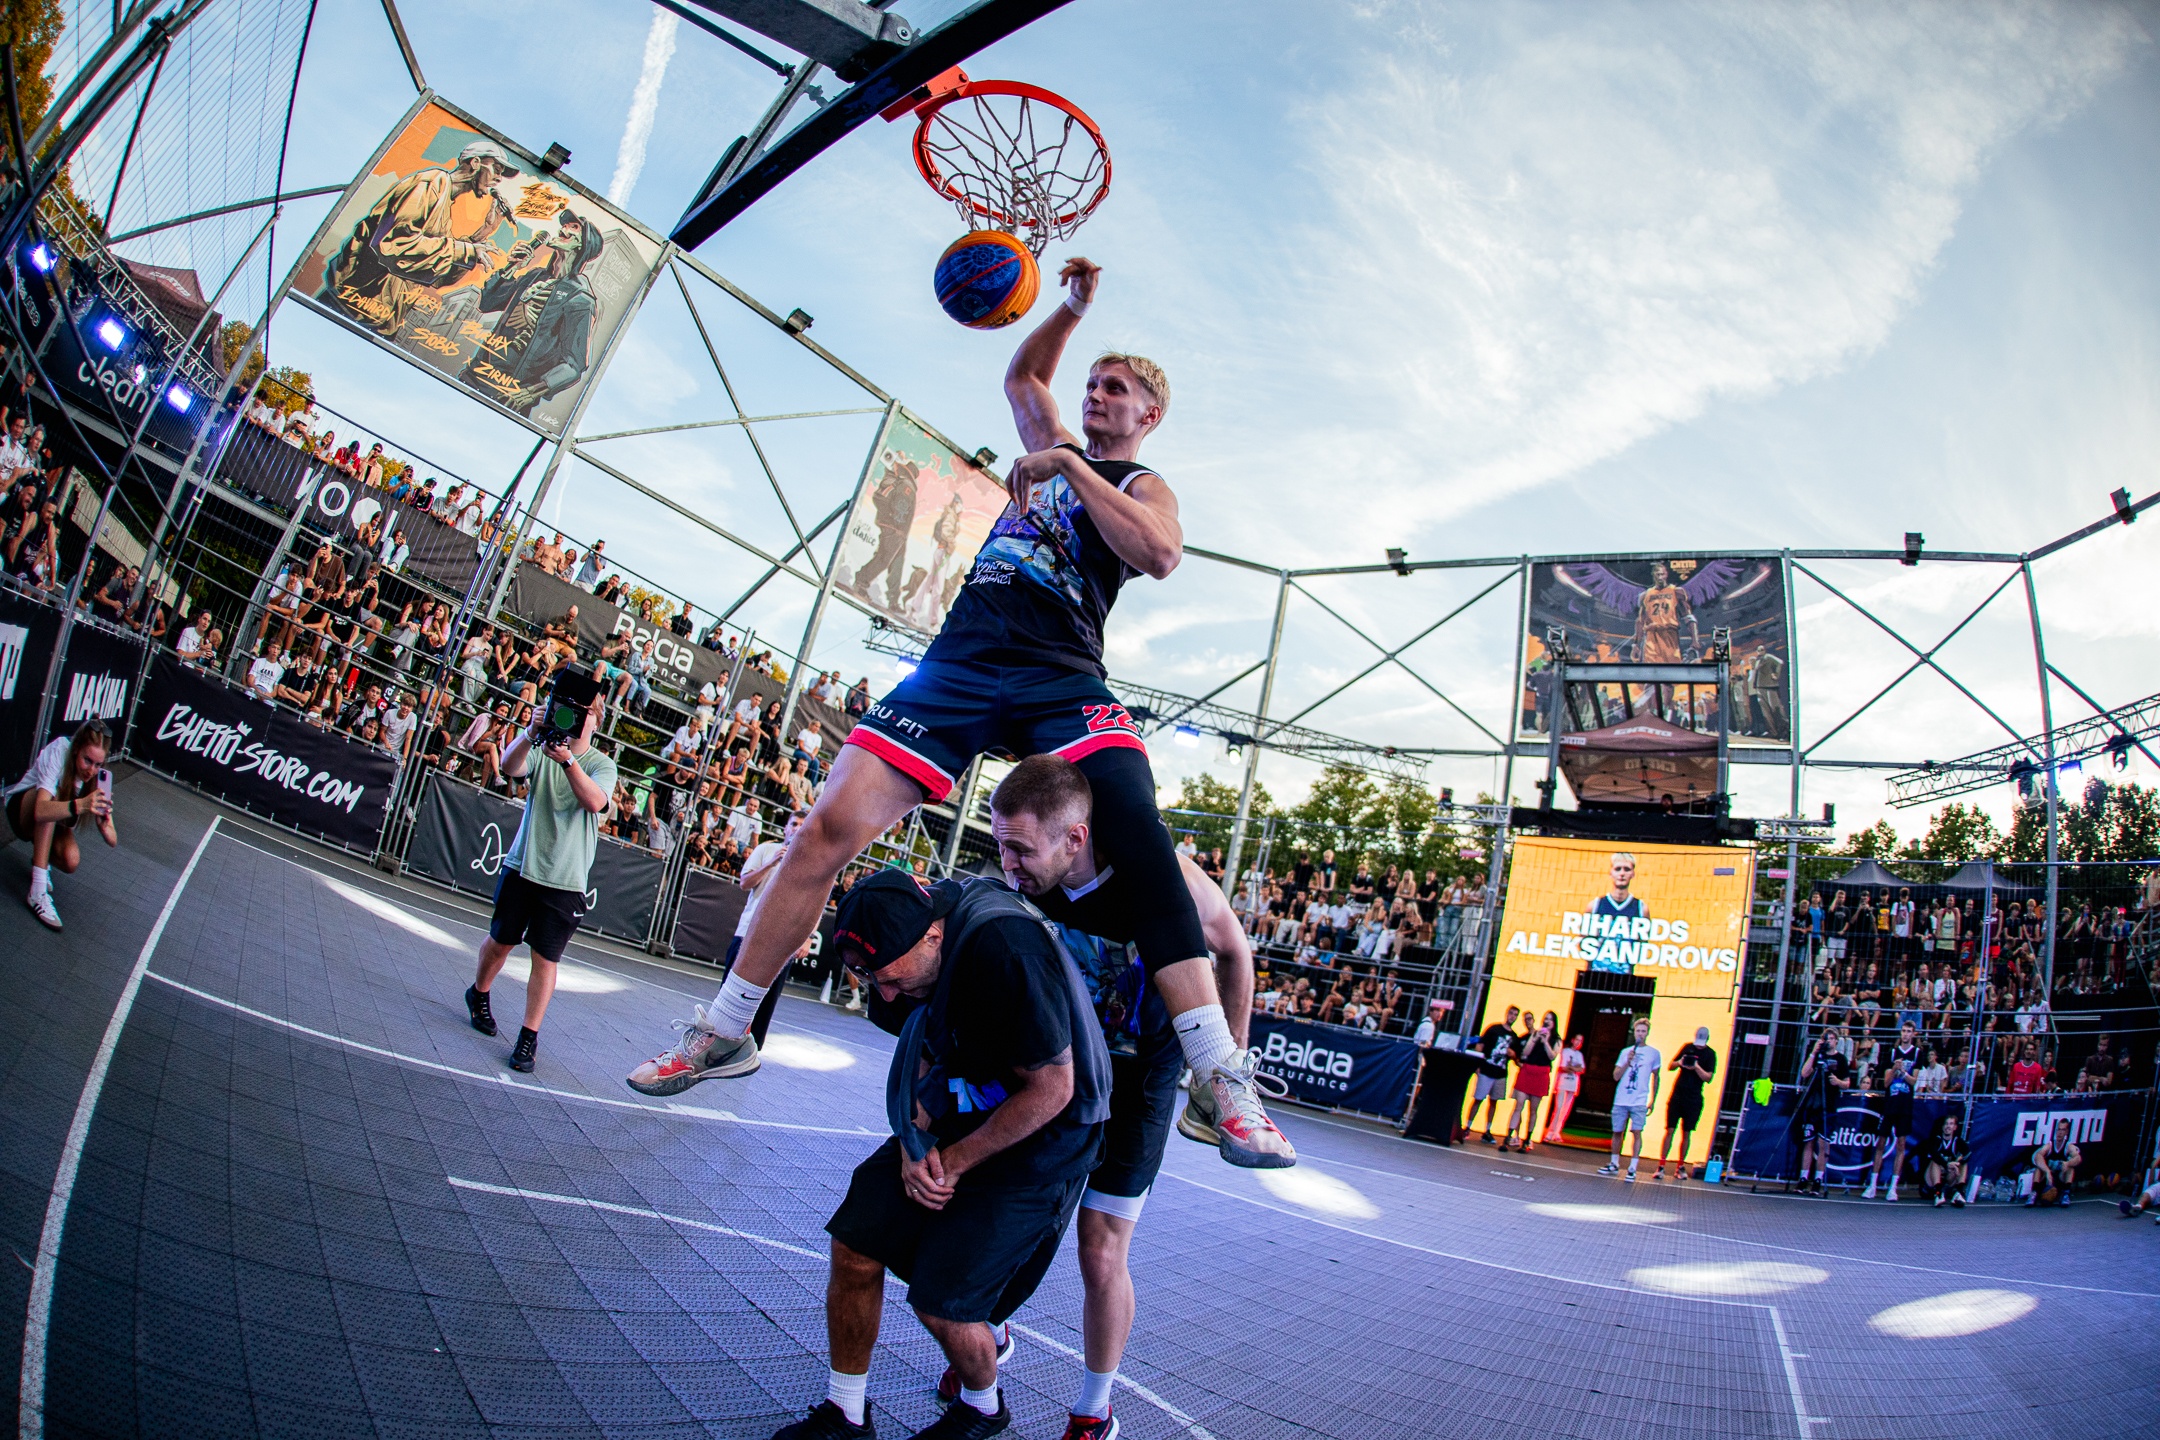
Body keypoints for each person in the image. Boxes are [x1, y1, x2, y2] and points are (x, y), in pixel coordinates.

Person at [626, 258, 1289, 1166]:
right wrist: (1070, 309)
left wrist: (1069, 464)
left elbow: (1161, 554)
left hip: (1061, 673)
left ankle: (1218, 1077)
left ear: (1149, 415)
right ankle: (728, 1027)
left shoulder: (1137, 484)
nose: (1095, 394)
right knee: (825, 828)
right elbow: (1023, 379)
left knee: (1137, 833)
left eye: (1116, 388)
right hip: (961, 663)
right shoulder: (1051, 434)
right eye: (1093, 383)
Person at [977, 754, 1263, 1434]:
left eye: (1021, 850)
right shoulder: (1021, 874)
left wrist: (1227, 1075)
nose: (1009, 864)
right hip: (1060, 1074)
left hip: (1141, 1084)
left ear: (1074, 839)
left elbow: (1235, 949)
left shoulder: (1159, 873)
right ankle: (989, 1329)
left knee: (1101, 1248)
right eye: (1002, 847)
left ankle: (1094, 1408)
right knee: (1012, 1213)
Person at [771, 871, 1108, 1440]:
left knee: (944, 1301)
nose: (884, 995)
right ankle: (845, 1412)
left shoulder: (1007, 950)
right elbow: (927, 1041)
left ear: (933, 935)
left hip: (1045, 1135)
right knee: (856, 1243)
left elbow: (1054, 1088)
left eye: (890, 979)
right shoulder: (906, 954)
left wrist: (952, 1161)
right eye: (869, 979)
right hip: (964, 1104)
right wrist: (915, 1141)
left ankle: (982, 1408)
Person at [462, 681, 615, 1073]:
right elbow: (511, 768)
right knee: (501, 942)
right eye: (569, 708)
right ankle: (479, 993)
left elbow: (595, 801)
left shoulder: (600, 764)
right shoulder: (541, 746)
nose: (574, 717)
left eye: (584, 712)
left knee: (545, 959)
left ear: (595, 721)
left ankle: (528, 1036)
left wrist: (567, 761)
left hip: (566, 879)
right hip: (523, 864)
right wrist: (531, 732)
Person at [5, 720, 118, 930]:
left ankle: (40, 859)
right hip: (21, 812)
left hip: (52, 822)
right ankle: (37, 891)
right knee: (53, 798)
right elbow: (40, 810)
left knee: (70, 860)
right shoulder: (59, 751)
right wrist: (81, 805)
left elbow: (113, 840)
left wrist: (104, 826)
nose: (91, 770)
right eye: (87, 760)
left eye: (98, 764)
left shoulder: (97, 779)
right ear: (76, 750)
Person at [1863, 1022, 1923, 1201]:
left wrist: (1903, 1072)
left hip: (1905, 1105)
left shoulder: (1917, 1053)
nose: (1905, 1034)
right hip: (1890, 1104)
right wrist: (1895, 1068)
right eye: (1903, 1031)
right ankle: (1873, 1184)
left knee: (1901, 1144)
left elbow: (1914, 1082)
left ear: (1913, 1034)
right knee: (1881, 1142)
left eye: (1909, 1031)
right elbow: (1886, 1083)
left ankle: (1893, 1187)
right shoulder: (1892, 1053)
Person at [1651, 1026, 1717, 1181]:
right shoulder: (1687, 1048)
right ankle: (1661, 1165)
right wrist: (1680, 1063)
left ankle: (1680, 1165)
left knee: (1686, 1132)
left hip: (1693, 1098)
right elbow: (1670, 1066)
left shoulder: (1710, 1054)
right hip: (1678, 1095)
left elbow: (1708, 1078)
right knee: (1670, 1130)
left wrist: (1696, 1067)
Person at [1599, 1016, 1660, 1180]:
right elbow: (1616, 1076)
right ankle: (1614, 1163)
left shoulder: (1653, 1053)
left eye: (1643, 1031)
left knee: (1637, 1131)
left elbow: (1656, 1076)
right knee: (1617, 1131)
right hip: (1622, 1098)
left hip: (1639, 1099)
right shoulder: (1625, 1052)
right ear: (1634, 1032)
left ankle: (1633, 1166)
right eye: (1638, 1031)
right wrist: (1628, 1061)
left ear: (1647, 1033)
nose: (1640, 1034)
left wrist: (1653, 1099)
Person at [1793, 1030, 1852, 1196]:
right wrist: (1813, 1052)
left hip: (1829, 1105)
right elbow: (1804, 1073)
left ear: (1837, 1041)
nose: (1829, 1041)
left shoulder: (1841, 1059)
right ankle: (1803, 1178)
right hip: (1813, 1104)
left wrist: (1838, 1081)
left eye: (1832, 1039)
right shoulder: (1818, 1056)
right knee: (1808, 1141)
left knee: (1823, 1143)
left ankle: (1818, 1179)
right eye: (1826, 1038)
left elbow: (1847, 1083)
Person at [1466, 1005, 1519, 1143]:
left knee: (1494, 1102)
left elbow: (1516, 1057)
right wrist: (1477, 1064)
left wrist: (1513, 1055)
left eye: (1515, 1015)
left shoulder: (1514, 1037)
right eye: (1511, 1013)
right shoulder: (1494, 1029)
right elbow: (1480, 1045)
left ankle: (1487, 1131)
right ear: (1507, 1014)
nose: (1512, 1016)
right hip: (1487, 1069)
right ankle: (1467, 1127)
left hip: (1500, 1073)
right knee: (1478, 1099)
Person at [1506, 1011, 1558, 1152]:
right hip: (1528, 1070)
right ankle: (1508, 1137)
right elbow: (1526, 1052)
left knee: (1533, 1110)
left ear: (1554, 1023)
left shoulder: (1556, 1039)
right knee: (1519, 1105)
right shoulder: (1534, 1034)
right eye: (1545, 1019)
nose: (1547, 1022)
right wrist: (1535, 1038)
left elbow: (1552, 1056)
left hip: (1541, 1073)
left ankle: (1527, 1139)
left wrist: (1545, 1041)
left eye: (1550, 1020)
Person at [2026, 1119, 2080, 1207]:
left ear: (2067, 1132)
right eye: (2058, 1129)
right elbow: (2038, 1156)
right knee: (2038, 1169)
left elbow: (2078, 1158)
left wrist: (2068, 1163)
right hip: (2048, 1179)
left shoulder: (2069, 1146)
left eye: (2063, 1130)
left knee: (2070, 1168)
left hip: (2060, 1178)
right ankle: (2034, 1193)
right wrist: (2047, 1171)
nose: (2060, 1132)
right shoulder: (2049, 1145)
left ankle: (2066, 1194)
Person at [1922, 1113, 1970, 1208]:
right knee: (1934, 1160)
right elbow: (1933, 1153)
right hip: (1932, 1181)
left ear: (1955, 1127)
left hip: (1948, 1179)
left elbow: (1968, 1154)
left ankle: (1959, 1192)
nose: (1948, 1126)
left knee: (1963, 1163)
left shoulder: (1958, 1141)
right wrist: (1946, 1164)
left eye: (1951, 1124)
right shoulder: (1936, 1140)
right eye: (1946, 1124)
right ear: (1942, 1127)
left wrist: (1958, 1163)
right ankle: (1938, 1193)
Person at [1544, 1034, 1585, 1141]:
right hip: (1563, 1082)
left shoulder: (1579, 1055)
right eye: (1577, 1040)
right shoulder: (1565, 1052)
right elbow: (1563, 1067)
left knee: (1565, 1110)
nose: (1578, 1042)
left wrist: (1572, 1068)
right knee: (1559, 1108)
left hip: (1573, 1084)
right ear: (1572, 1040)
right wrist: (1574, 1068)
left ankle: (1557, 1132)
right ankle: (1550, 1132)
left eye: (1580, 1041)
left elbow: (1581, 1069)